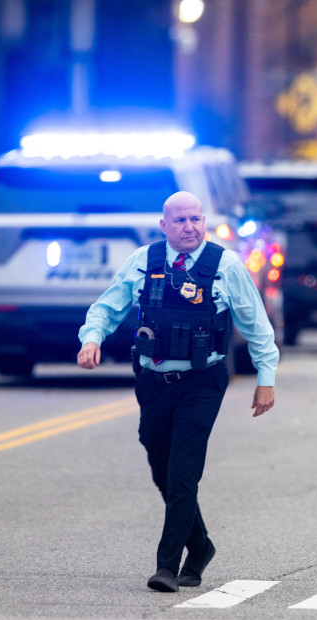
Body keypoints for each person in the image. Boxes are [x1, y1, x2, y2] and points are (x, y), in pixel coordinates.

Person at [77, 191, 279, 592]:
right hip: (153, 381)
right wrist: (92, 338)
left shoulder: (225, 265)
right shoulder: (144, 261)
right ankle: (200, 546)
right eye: (181, 221)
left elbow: (255, 323)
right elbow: (107, 307)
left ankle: (166, 567)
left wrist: (265, 376)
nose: (190, 227)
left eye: (195, 219)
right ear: (164, 226)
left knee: (183, 471)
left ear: (204, 222)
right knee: (162, 469)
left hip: (202, 381)